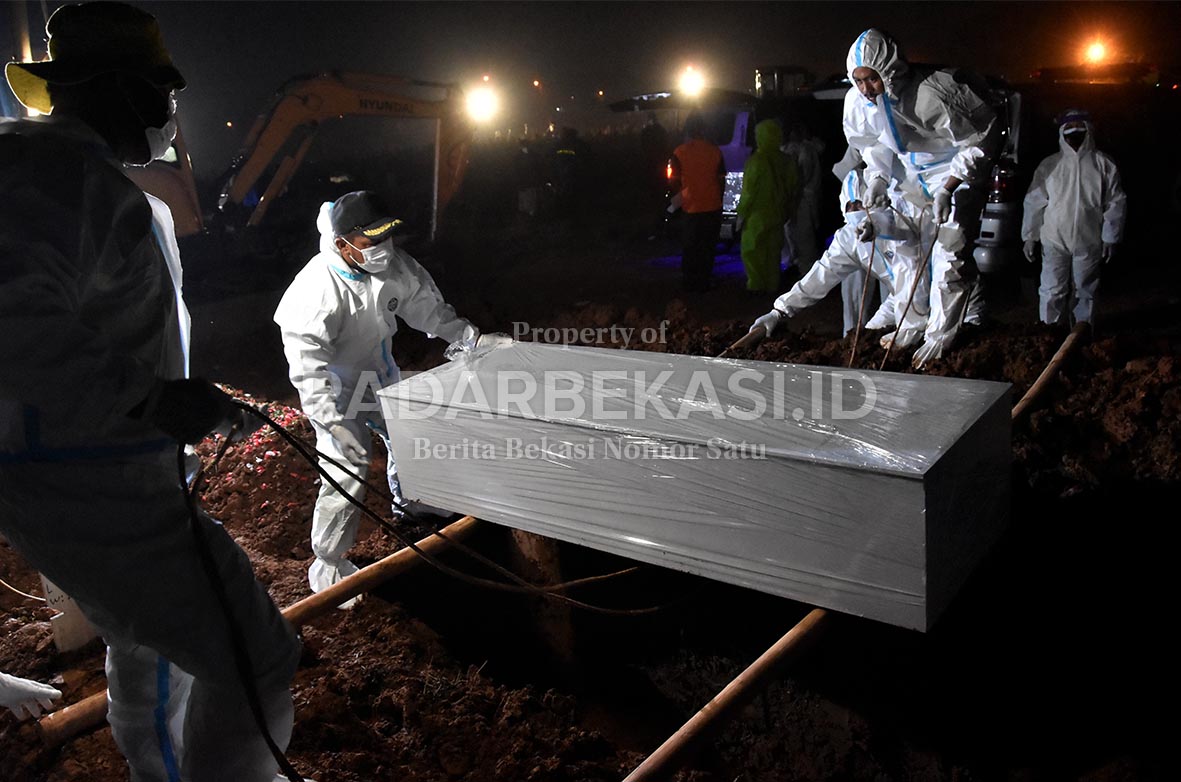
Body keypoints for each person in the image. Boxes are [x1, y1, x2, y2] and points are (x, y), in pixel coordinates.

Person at [0, 4, 301, 782]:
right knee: (256, 655)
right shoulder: (54, 180)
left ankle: (157, 769)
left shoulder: (81, 180)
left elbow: (95, 328)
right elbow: (14, 324)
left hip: (96, 469)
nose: (170, 109)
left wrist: (164, 397)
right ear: (118, 88)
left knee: (146, 642)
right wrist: (155, 401)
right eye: (162, 90)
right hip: (93, 483)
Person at [274, 191, 509, 598]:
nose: (382, 248)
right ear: (341, 243)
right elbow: (309, 370)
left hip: (379, 375)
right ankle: (329, 565)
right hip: (336, 389)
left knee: (410, 435)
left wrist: (469, 338)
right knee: (347, 468)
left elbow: (427, 309)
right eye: (370, 241)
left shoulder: (392, 266)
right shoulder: (315, 292)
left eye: (386, 237)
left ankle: (416, 506)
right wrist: (331, 422)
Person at [847, 29, 1001, 368]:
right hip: (909, 174)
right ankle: (911, 324)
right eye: (858, 80)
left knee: (949, 252)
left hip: (953, 170)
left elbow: (980, 140)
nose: (865, 88)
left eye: (872, 78)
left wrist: (949, 186)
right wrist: (878, 179)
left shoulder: (935, 93)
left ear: (889, 70)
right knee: (908, 252)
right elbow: (873, 144)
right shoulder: (859, 103)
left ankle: (940, 336)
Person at [749, 147, 929, 348]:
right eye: (849, 206)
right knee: (867, 341)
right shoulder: (848, 239)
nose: (854, 211)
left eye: (859, 205)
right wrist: (779, 311)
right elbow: (821, 275)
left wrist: (878, 227)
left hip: (939, 294)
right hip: (900, 298)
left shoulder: (904, 224)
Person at [1022, 109, 1127, 326]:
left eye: (1079, 129)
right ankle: (1050, 333)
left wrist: (1110, 237)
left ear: (1089, 131)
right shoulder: (1049, 165)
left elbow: (1115, 202)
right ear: (1061, 133)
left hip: (1089, 239)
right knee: (1051, 290)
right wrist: (1030, 236)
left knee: (1085, 291)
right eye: (1069, 130)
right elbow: (1034, 202)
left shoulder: (1103, 164)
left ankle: (1081, 334)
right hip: (1054, 239)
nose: (1074, 135)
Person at [737, 119, 799, 293]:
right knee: (773, 252)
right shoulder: (787, 161)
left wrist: (741, 213)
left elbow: (748, 192)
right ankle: (773, 285)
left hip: (756, 215)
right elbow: (793, 187)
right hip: (778, 214)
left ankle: (756, 285)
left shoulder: (756, 161)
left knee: (752, 251)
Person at [669, 111, 725, 291]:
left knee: (690, 246)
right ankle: (704, 280)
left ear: (687, 130)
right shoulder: (715, 151)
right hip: (712, 206)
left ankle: (689, 281)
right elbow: (721, 179)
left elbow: (673, 181)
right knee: (707, 246)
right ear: (704, 129)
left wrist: (679, 200)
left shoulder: (679, 152)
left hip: (690, 207)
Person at [782, 121, 822, 275]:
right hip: (798, 199)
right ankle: (797, 267)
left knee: (805, 238)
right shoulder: (799, 149)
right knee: (793, 236)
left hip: (803, 200)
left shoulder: (806, 150)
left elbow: (803, 176)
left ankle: (808, 273)